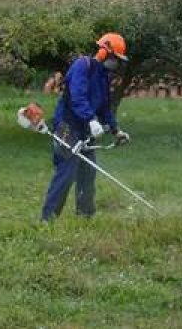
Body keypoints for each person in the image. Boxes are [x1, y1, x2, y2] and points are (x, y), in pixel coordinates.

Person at [40, 32, 132, 222]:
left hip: (84, 130)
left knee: (88, 173)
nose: (117, 64)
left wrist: (116, 130)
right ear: (104, 52)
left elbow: (105, 107)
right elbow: (77, 97)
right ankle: (47, 220)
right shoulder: (82, 66)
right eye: (116, 59)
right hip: (66, 125)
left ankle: (85, 218)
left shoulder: (104, 76)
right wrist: (91, 119)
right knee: (67, 171)